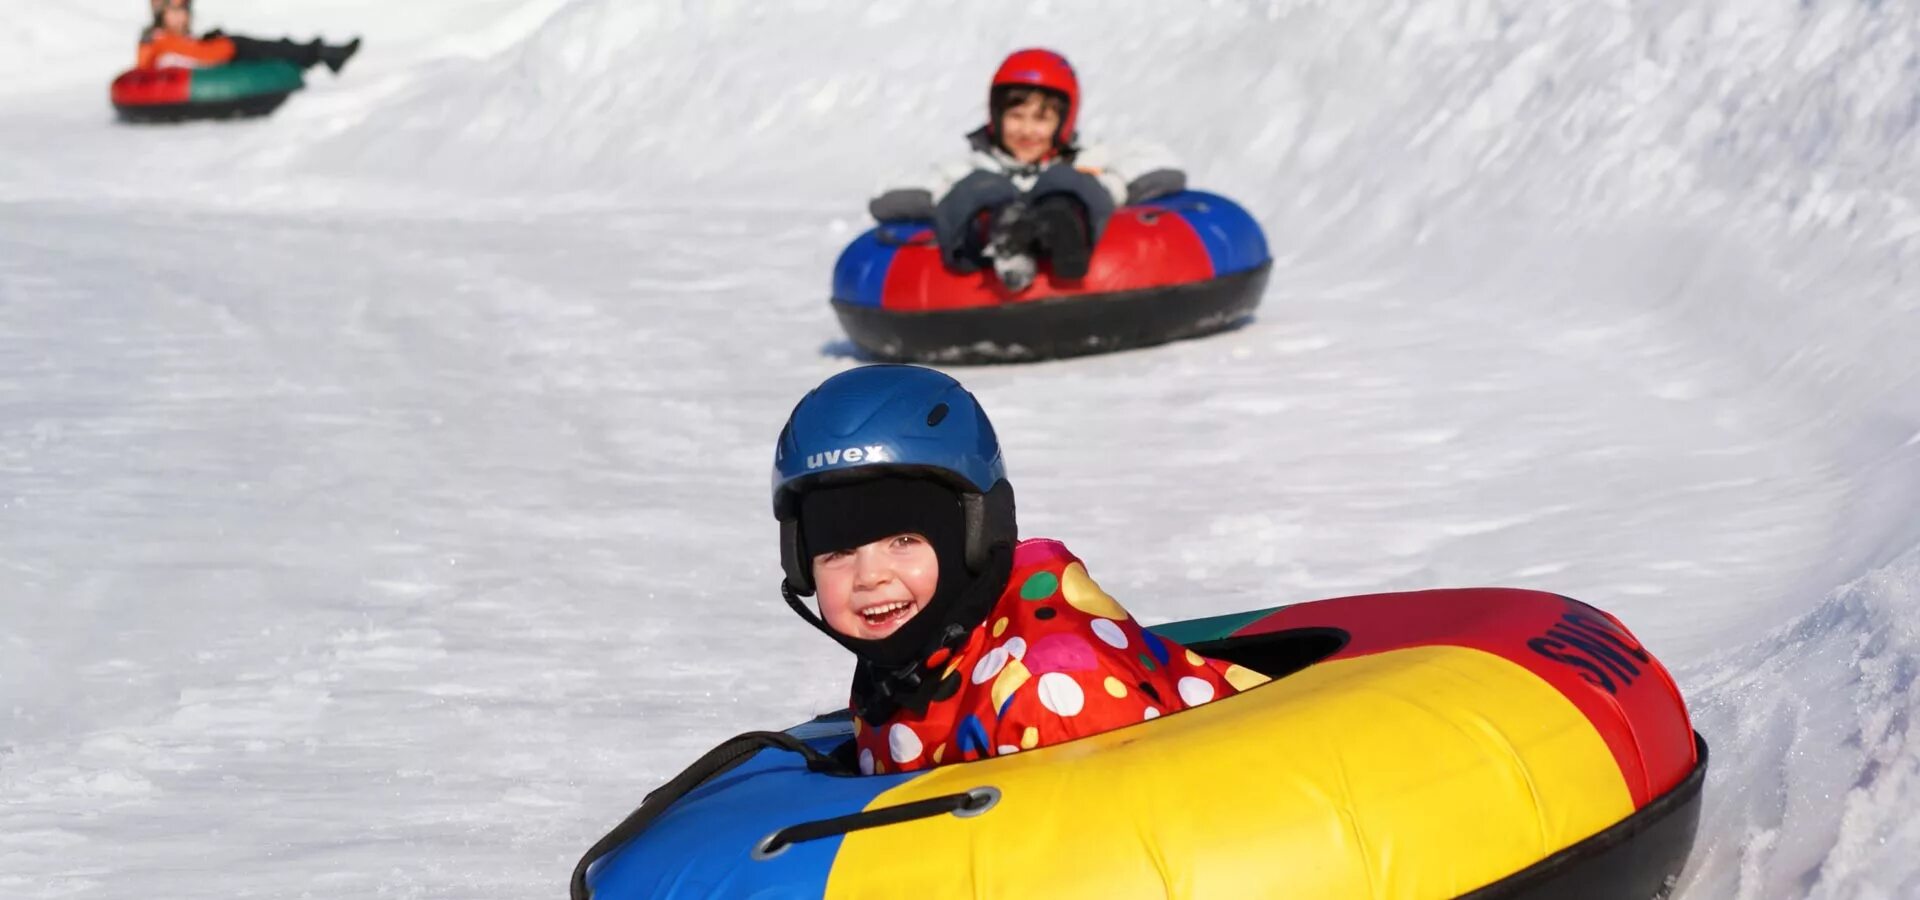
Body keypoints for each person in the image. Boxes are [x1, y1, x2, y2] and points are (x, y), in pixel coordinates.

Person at [772, 365, 1267, 774]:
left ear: (975, 535)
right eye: (835, 554)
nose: (869, 577)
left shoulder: (1048, 691)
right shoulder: (908, 665)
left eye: (904, 541)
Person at [870, 49, 1174, 293]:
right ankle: (1000, 232)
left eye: (1041, 119)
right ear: (996, 117)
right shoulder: (974, 164)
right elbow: (891, 192)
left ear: (1064, 123)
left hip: (1071, 211)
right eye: (1016, 116)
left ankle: (1064, 226)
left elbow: (1158, 163)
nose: (1027, 130)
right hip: (984, 228)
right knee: (980, 187)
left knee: (1067, 181)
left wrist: (1111, 183)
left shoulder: (1087, 156)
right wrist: (941, 197)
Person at [136, 0, 360, 74]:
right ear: (160, 13)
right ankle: (323, 53)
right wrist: (224, 45)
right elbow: (194, 56)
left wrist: (212, 39)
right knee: (269, 48)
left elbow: (191, 50)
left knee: (276, 47)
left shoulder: (167, 38)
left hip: (225, 53)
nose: (182, 18)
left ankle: (323, 53)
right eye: (175, 11)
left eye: (184, 10)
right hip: (225, 56)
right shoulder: (156, 39)